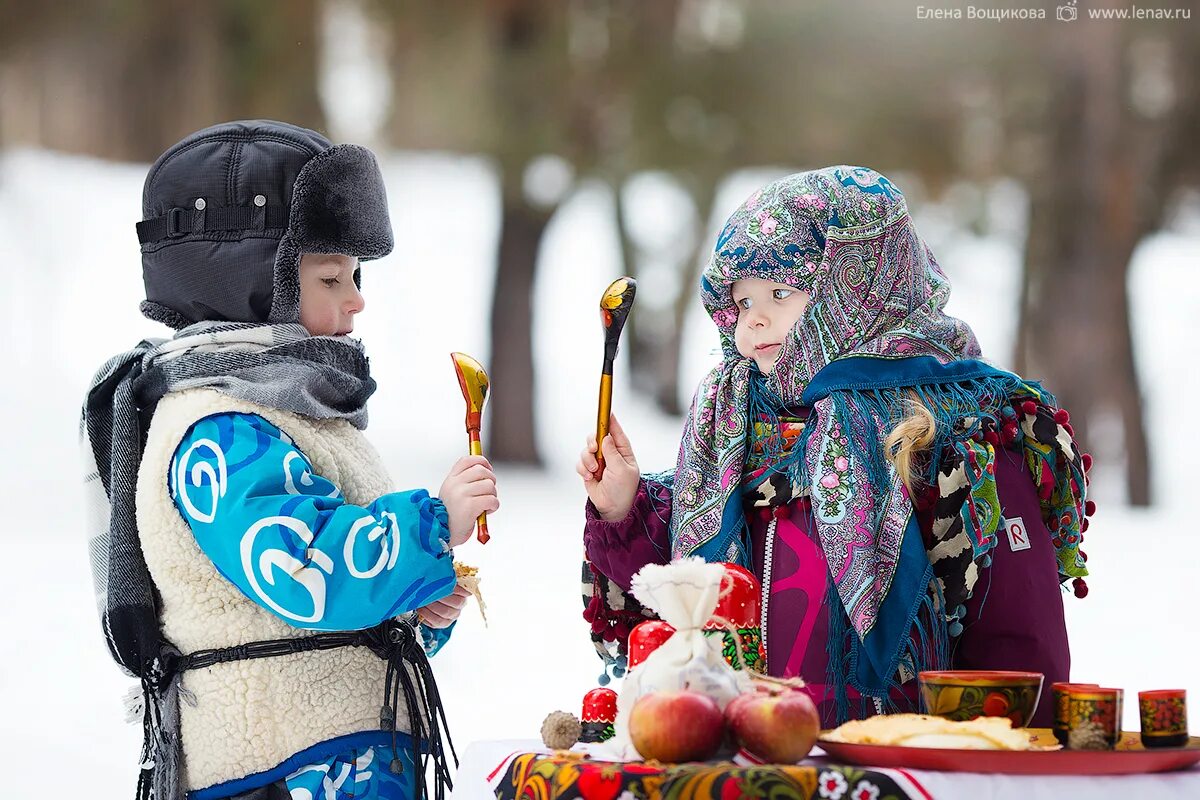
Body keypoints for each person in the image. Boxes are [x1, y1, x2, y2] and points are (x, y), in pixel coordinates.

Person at [578, 166, 1091, 727]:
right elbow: (687, 595)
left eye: (781, 291)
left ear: (858, 283)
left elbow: (1017, 640)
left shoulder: (955, 437)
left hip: (900, 767)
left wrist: (994, 757)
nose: (756, 320)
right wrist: (625, 511)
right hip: (753, 762)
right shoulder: (732, 433)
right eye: (742, 302)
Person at [81, 120, 498, 800]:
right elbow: (301, 569)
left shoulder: (296, 416)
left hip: (337, 759)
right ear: (249, 282)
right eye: (332, 276)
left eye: (356, 275)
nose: (357, 299)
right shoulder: (215, 431)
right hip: (279, 771)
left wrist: (415, 605)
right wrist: (430, 526)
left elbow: (335, 605)